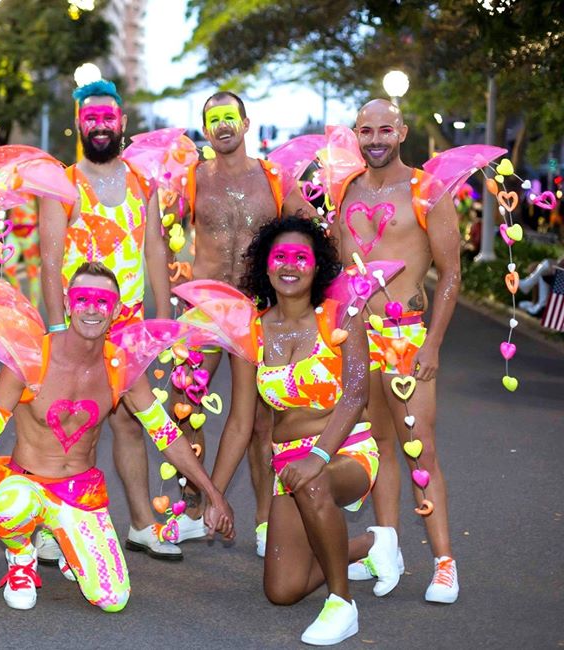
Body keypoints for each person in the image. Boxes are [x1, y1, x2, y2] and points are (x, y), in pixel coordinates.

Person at [0, 263, 234, 612]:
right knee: (12, 505)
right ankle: (21, 555)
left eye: (102, 301)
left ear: (116, 310)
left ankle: (67, 540)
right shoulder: (30, 358)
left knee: (113, 600)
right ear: (69, 305)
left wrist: (212, 494)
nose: (91, 308)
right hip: (27, 484)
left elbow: (166, 435)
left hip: (80, 493)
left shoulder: (121, 369)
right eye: (82, 299)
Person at [191, 217, 397, 645]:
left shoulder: (341, 317)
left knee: (315, 484)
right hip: (289, 467)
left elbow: (356, 394)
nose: (289, 265)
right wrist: (216, 495)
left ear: (316, 266)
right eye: (279, 257)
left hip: (345, 451)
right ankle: (370, 545)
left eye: (300, 257)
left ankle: (342, 604)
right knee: (282, 591)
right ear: (265, 266)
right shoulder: (253, 330)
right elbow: (241, 421)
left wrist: (318, 456)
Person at [38, 79, 179, 561]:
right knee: (70, 425)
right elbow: (51, 261)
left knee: (130, 424)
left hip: (128, 324)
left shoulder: (144, 182)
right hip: (76, 328)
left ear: (122, 123)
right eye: (91, 117)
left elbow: (154, 247)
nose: (100, 124)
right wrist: (57, 330)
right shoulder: (62, 183)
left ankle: (142, 523)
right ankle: (51, 525)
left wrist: (163, 314)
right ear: (79, 123)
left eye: (108, 117)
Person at [328, 99, 462, 604]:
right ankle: (386, 548)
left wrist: (432, 343)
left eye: (386, 129)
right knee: (377, 444)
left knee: (419, 446)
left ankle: (445, 562)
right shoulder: (346, 190)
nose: (376, 139)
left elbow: (451, 274)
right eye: (367, 131)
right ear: (356, 135)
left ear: (402, 131)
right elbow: (342, 266)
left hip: (407, 336)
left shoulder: (427, 190)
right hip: (357, 336)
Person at [171, 91, 316, 554]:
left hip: (257, 309)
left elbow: (310, 225)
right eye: (214, 120)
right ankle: (196, 508)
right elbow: (163, 230)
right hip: (205, 308)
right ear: (205, 127)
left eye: (230, 118)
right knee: (183, 406)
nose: (223, 126)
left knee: (259, 421)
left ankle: (263, 520)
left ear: (246, 122)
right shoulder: (192, 178)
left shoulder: (273, 178)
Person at [2, 195, 41, 307]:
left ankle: (34, 309)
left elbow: (41, 208)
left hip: (31, 232)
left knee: (32, 272)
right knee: (8, 268)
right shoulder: (11, 184)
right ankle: (21, 302)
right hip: (13, 231)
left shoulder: (35, 185)